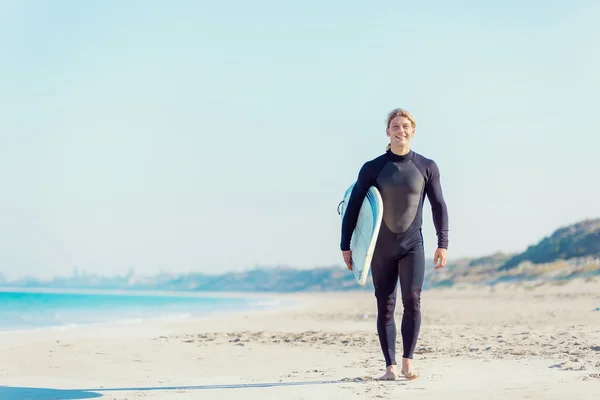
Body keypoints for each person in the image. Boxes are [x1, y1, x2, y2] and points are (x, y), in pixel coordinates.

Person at [340, 108, 449, 381]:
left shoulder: (426, 167)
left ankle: (407, 362)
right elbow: (354, 207)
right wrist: (346, 245)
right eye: (395, 126)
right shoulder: (373, 168)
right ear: (387, 132)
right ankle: (389, 366)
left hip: (413, 244)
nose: (401, 130)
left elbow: (438, 205)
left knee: (413, 300)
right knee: (385, 304)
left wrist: (442, 242)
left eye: (405, 126)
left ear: (413, 130)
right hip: (381, 248)